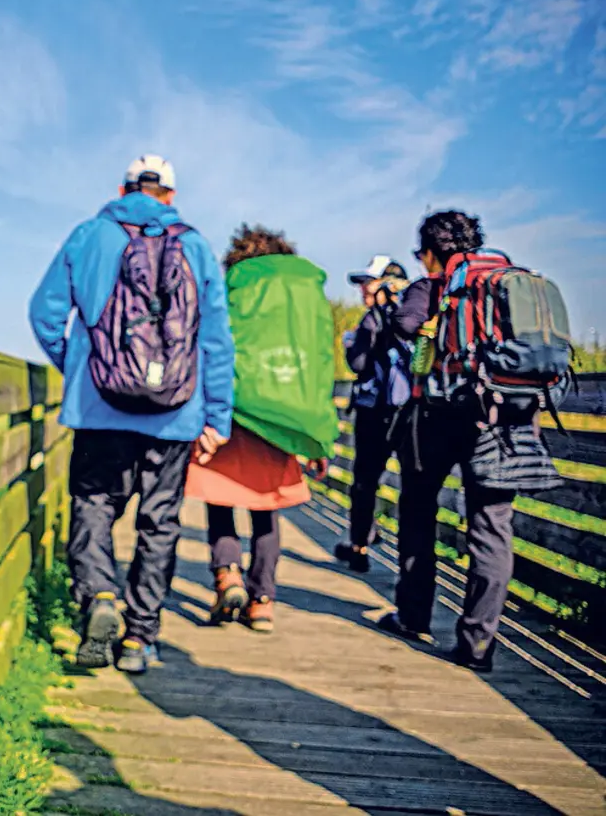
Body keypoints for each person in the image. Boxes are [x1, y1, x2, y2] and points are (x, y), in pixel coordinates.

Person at [28, 155, 235, 674]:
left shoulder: (89, 234)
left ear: (122, 188)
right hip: (176, 413)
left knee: (94, 503)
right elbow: (215, 340)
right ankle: (141, 638)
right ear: (169, 195)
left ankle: (98, 596)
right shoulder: (195, 244)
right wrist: (218, 418)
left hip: (99, 408)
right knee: (159, 523)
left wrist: (83, 367)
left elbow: (45, 313)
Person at [379, 210, 565, 672]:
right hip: (504, 416)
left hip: (443, 414)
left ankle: (414, 615)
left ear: (428, 253)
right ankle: (478, 643)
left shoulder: (436, 286)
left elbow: (402, 326)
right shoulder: (506, 280)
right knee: (492, 526)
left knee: (419, 509)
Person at [183, 224, 335, 633]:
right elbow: (319, 362)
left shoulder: (235, 287)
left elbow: (208, 343)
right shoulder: (301, 296)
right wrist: (318, 434)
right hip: (283, 418)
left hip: (232, 412)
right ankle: (262, 601)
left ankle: (227, 574)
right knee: (266, 511)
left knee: (220, 499)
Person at [334, 256, 412, 573]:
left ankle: (360, 546)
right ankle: (410, 565)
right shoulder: (414, 315)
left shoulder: (372, 320)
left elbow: (359, 364)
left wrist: (350, 342)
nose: (362, 288)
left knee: (365, 481)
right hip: (408, 412)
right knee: (413, 486)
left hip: (375, 412)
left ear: (387, 284)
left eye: (368, 282)